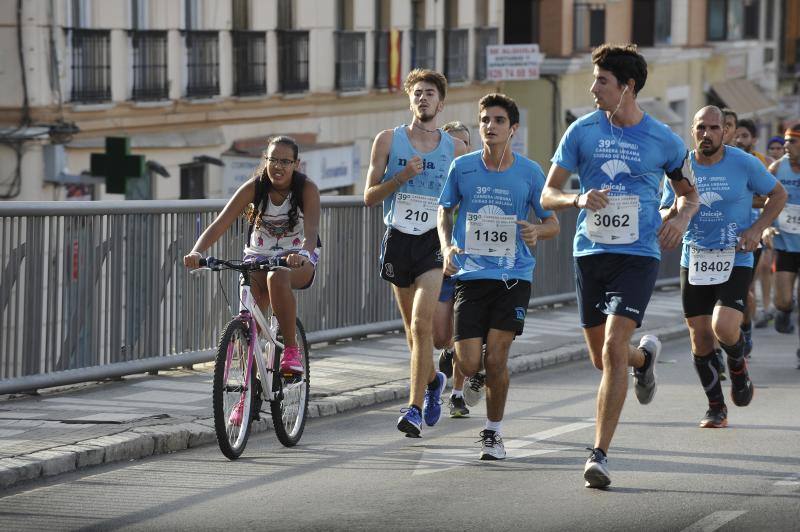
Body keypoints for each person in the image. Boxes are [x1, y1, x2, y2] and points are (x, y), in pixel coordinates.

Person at [540, 43, 700, 488]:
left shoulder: (663, 139)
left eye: (602, 81)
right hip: (590, 252)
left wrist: (682, 220)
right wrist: (577, 197)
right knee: (602, 357)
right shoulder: (581, 132)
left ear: (627, 87)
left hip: (639, 255)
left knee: (612, 347)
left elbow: (688, 194)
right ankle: (644, 358)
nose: (593, 89)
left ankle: (599, 454)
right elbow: (546, 195)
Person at [438, 93, 559, 460]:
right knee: (469, 362)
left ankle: (493, 433)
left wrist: (537, 233)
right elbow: (444, 212)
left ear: (513, 129)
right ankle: (475, 374)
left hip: (513, 277)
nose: (490, 126)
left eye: (499, 120)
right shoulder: (463, 168)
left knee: (497, 360)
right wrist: (446, 247)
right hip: (472, 275)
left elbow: (551, 222)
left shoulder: (530, 172)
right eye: (485, 120)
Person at [660, 106, 785, 429]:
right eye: (701, 128)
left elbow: (778, 194)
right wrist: (671, 213)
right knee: (700, 339)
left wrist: (757, 228)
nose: (707, 134)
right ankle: (716, 406)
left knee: (725, 327)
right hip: (696, 258)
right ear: (693, 130)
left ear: (724, 132)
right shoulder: (680, 167)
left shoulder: (743, 163)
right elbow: (662, 210)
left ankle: (738, 365)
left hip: (736, 255)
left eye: (714, 128)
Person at [183, 136, 321, 422]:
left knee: (277, 277)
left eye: (285, 161)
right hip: (256, 257)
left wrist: (302, 254)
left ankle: (291, 350)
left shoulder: (306, 189)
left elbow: (311, 232)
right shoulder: (255, 188)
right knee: (249, 324)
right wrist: (198, 251)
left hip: (297, 259)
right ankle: (247, 397)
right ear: (265, 160)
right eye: (273, 160)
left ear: (296, 164)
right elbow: (220, 222)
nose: (278, 166)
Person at [364, 69, 467, 438]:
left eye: (430, 93)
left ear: (441, 102)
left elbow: (466, 199)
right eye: (417, 93)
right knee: (412, 333)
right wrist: (401, 177)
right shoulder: (388, 140)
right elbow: (369, 196)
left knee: (423, 326)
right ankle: (435, 379)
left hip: (433, 242)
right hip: (398, 239)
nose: (423, 98)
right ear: (410, 100)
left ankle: (413, 409)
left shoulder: (455, 148)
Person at [436, 120, 472, 418]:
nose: (459, 149)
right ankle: (447, 349)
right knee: (441, 336)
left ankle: (458, 394)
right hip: (438, 264)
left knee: (465, 333)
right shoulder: (438, 179)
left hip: (472, 267)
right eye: (453, 144)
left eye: (464, 143)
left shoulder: (477, 177)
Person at [735, 118, 774, 352]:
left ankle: (745, 328)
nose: (740, 140)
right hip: (723, 236)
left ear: (754, 139)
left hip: (752, 236)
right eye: (737, 135)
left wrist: (763, 226)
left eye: (745, 136)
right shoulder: (726, 160)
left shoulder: (763, 164)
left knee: (745, 290)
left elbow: (773, 197)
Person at [768, 124, 800, 369]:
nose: (787, 146)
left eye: (793, 141)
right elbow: (762, 197)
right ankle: (786, 310)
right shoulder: (778, 167)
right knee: (781, 300)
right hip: (785, 244)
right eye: (787, 141)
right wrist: (766, 225)